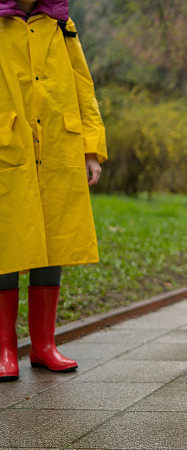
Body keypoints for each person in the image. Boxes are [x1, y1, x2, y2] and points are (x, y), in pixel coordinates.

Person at [0, 0, 107, 382]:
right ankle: (5, 350)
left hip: (60, 145)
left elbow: (83, 85)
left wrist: (91, 149)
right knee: (7, 242)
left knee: (54, 239)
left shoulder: (63, 26)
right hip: (8, 146)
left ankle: (44, 346)